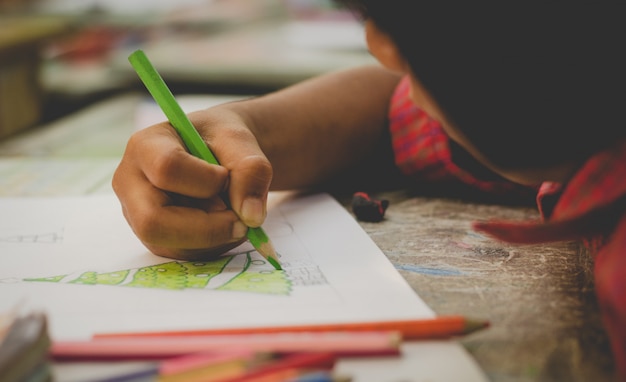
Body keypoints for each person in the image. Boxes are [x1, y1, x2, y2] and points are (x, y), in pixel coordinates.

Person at [112, 1, 626, 377]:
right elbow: (390, 110)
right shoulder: (571, 107)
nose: (378, 48)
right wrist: (246, 132)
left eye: (391, 20)